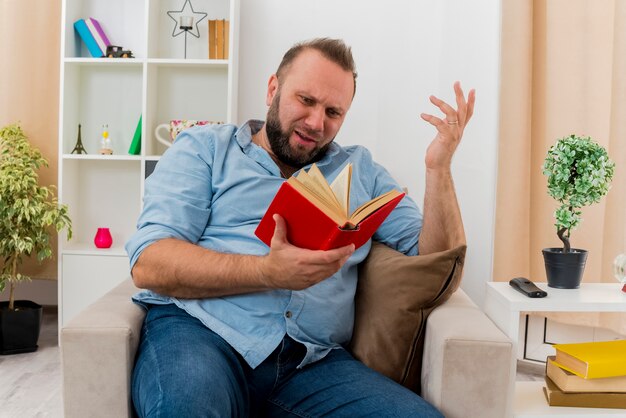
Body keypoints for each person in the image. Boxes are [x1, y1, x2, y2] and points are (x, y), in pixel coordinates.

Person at [126, 38, 475, 417]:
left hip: (312, 363)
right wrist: (267, 272)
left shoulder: (363, 173)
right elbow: (150, 262)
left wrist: (439, 168)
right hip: (201, 334)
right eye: (305, 100)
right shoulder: (206, 148)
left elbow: (436, 258)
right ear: (273, 89)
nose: (316, 123)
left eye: (333, 112)